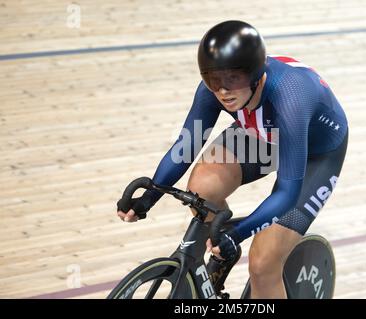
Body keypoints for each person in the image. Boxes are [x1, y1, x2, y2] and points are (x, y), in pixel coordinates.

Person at [117, 20, 348, 299]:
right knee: (202, 190)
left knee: (263, 263)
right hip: (263, 134)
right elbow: (187, 145)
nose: (223, 91)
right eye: (214, 81)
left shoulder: (291, 97)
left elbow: (287, 192)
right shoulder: (213, 91)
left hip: (316, 152)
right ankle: (221, 253)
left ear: (256, 74)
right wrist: (150, 196)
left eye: (233, 80)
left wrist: (237, 234)